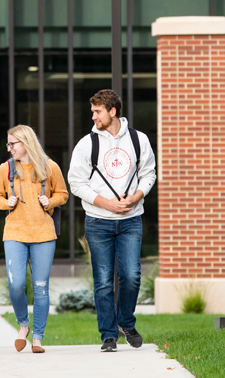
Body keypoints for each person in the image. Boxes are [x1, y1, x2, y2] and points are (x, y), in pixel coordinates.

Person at [68, 89, 156, 352]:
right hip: (98, 221)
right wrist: (107, 203)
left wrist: (136, 196)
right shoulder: (87, 144)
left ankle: (125, 323)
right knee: (104, 280)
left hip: (131, 220)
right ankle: (109, 335)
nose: (93, 116)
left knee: (131, 276)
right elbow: (76, 183)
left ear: (112, 111)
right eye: (92, 111)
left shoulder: (139, 140)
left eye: (97, 111)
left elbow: (149, 173)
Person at [0, 125, 68, 354]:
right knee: (16, 285)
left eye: (13, 143)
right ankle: (23, 324)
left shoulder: (49, 166)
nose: (9, 148)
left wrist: (50, 202)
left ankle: (38, 338)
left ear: (26, 143)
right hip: (15, 233)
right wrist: (6, 203)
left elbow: (62, 194)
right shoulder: (5, 169)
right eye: (8, 144)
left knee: (41, 287)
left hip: (43, 234)